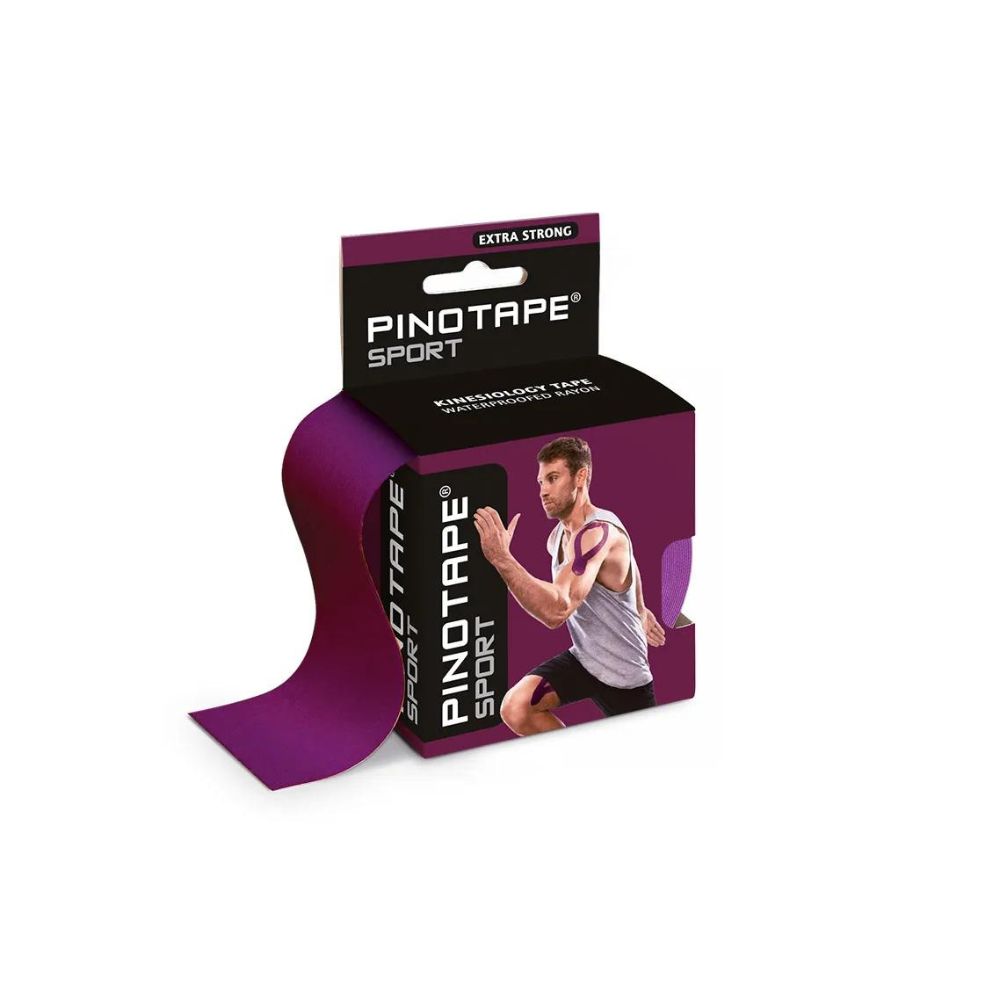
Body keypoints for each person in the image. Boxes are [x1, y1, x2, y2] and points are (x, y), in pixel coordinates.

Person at [474, 436, 665, 736]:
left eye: (553, 478)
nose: (543, 490)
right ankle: (572, 755)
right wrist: (640, 608)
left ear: (580, 476)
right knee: (516, 707)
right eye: (540, 482)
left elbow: (557, 610)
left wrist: (502, 558)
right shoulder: (557, 538)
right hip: (584, 660)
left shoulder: (599, 532)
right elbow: (630, 563)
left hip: (626, 679)